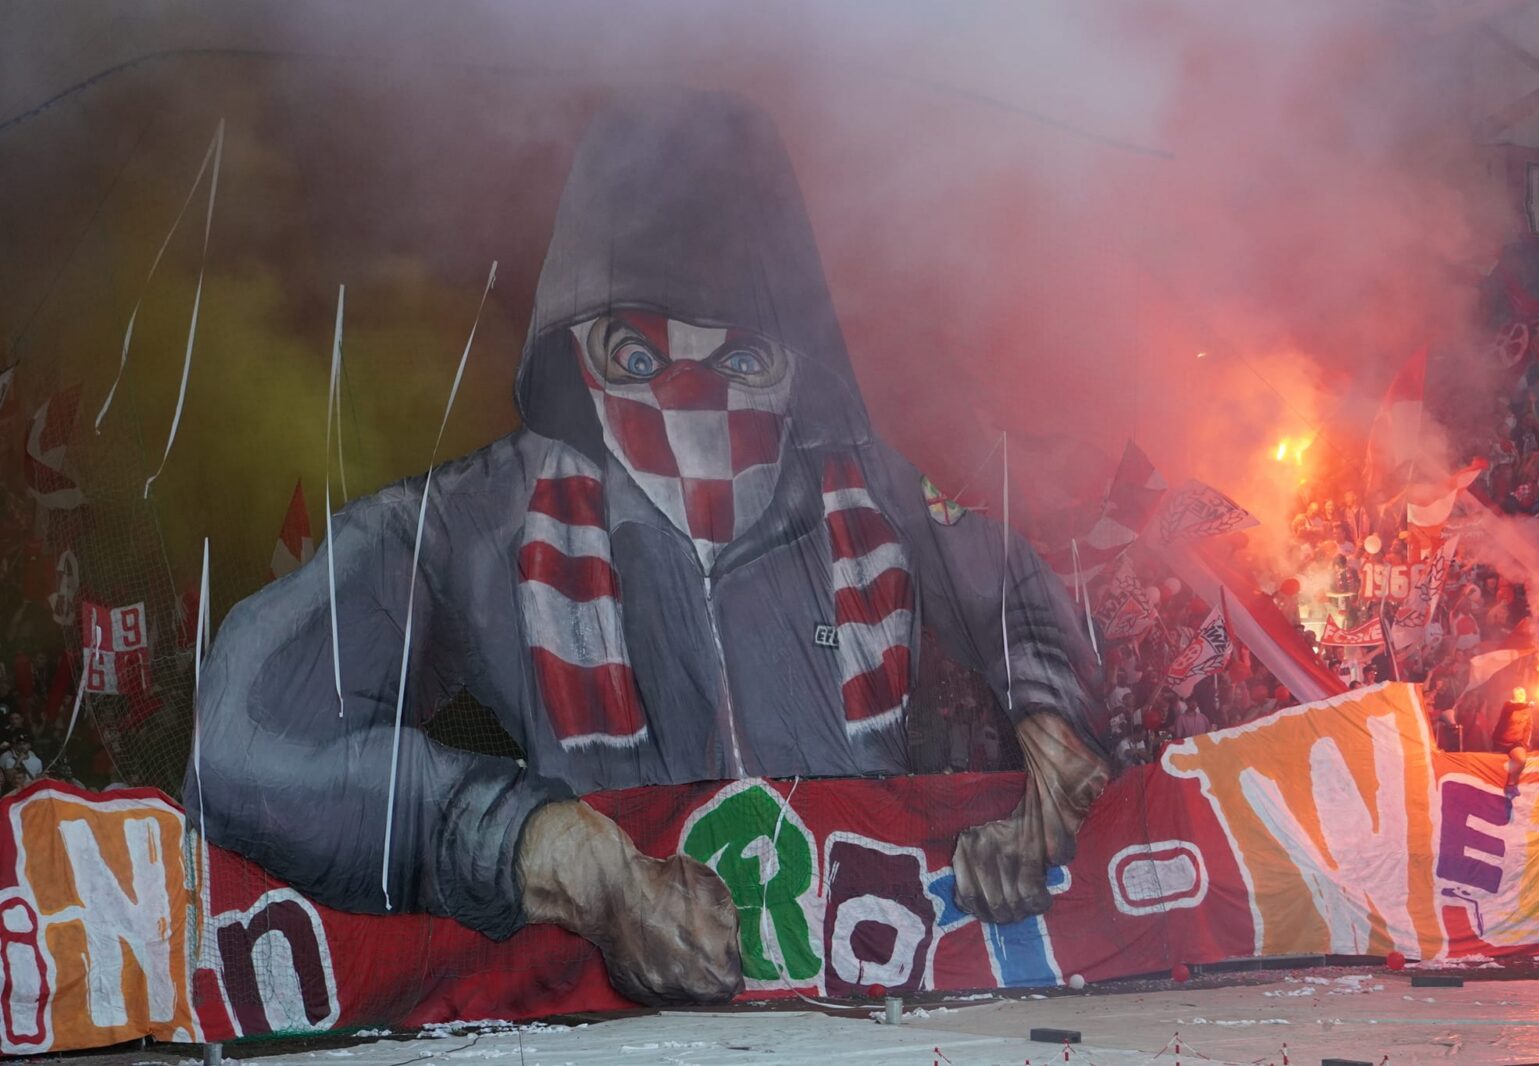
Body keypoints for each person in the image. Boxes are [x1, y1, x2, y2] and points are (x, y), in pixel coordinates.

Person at [183, 91, 1111, 1005]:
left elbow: (1014, 582)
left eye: (740, 360)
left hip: (870, 980)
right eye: (639, 356)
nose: (691, 405)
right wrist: (550, 849)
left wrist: (1051, 729)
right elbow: (243, 738)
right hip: (612, 1012)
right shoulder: (479, 519)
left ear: (795, 364)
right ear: (577, 350)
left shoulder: (867, 487)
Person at [1492, 686, 1535, 798]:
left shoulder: (1528, 709)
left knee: (1521, 759)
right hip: (1500, 742)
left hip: (1515, 743)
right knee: (1496, 768)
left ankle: (1511, 785)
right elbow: (1516, 706)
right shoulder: (1508, 705)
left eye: (1523, 692)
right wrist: (1527, 704)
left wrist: (1525, 744)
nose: (1521, 694)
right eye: (1518, 692)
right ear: (1513, 695)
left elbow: (1528, 728)